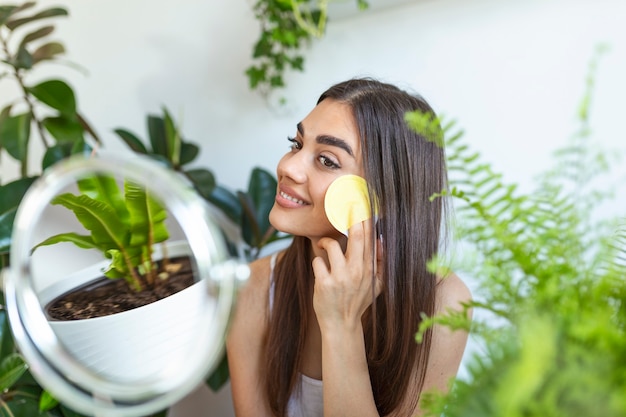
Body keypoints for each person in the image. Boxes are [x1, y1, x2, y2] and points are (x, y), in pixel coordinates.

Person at [227, 77, 472, 417]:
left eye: (327, 160)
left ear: (385, 197)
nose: (287, 167)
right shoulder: (250, 289)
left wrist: (340, 325)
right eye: (296, 144)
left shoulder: (443, 303)